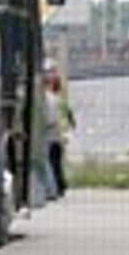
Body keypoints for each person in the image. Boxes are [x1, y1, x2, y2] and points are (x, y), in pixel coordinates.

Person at [41, 62, 75, 199]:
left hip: (55, 131)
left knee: (52, 159)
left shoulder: (51, 97)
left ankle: (56, 187)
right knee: (56, 159)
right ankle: (60, 185)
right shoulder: (59, 96)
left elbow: (62, 114)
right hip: (61, 131)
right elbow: (68, 113)